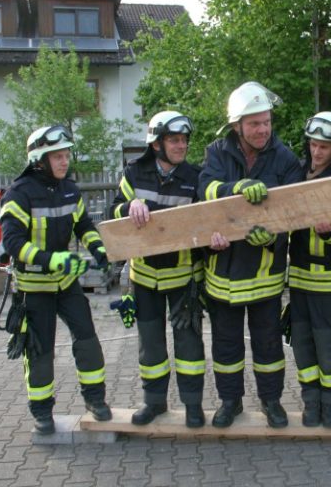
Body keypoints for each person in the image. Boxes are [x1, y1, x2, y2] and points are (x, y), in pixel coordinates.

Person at [198, 81, 302, 428]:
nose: (262, 130)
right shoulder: (216, 152)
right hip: (222, 273)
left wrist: (269, 237)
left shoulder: (285, 158)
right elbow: (205, 190)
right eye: (254, 123)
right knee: (227, 349)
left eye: (267, 122)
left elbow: (291, 211)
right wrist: (235, 189)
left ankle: (271, 402)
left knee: (268, 347)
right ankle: (230, 402)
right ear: (237, 126)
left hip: (264, 275)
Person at [0, 125, 112, 435]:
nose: (65, 162)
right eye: (58, 157)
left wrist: (99, 249)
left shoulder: (69, 190)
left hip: (66, 284)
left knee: (87, 339)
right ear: (39, 160)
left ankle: (95, 401)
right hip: (34, 288)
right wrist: (51, 259)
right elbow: (12, 243)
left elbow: (84, 225)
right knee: (40, 351)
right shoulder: (19, 194)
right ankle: (41, 411)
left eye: (66, 155)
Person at [108, 111, 207, 428]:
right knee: (150, 346)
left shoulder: (195, 177)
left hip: (183, 280)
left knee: (189, 346)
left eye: (184, 140)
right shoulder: (134, 174)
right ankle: (154, 403)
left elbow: (208, 220)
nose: (181, 146)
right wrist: (128, 207)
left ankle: (193, 406)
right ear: (157, 143)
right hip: (145, 280)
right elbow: (112, 212)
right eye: (174, 140)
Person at [287, 111, 331, 428]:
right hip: (299, 283)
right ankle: (311, 403)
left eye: (324, 147)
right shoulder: (296, 175)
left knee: (329, 350)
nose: (316, 152)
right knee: (302, 347)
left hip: (330, 286)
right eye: (313, 145)